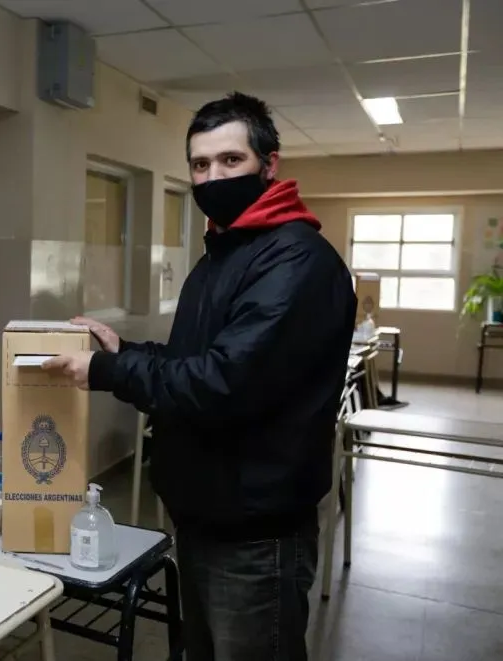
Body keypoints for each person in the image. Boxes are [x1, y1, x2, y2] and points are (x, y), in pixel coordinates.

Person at [44, 92, 357, 661]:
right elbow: (197, 359)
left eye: (230, 160)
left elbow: (222, 383)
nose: (213, 176)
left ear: (270, 164)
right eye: (199, 165)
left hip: (256, 535)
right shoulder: (224, 253)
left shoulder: (295, 261)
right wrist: (127, 348)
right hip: (204, 515)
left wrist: (107, 370)